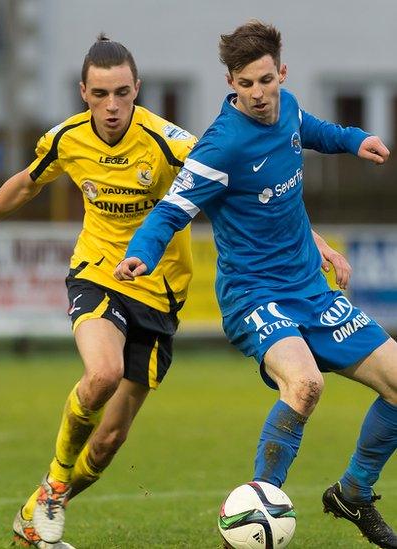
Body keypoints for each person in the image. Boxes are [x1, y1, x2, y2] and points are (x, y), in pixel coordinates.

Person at [0, 33, 350, 549]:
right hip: (99, 273)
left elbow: (245, 193)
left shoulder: (169, 142)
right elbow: (25, 182)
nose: (111, 106)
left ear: (138, 89)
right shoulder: (65, 139)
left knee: (110, 439)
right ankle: (54, 486)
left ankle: (37, 511)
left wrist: (317, 245)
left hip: (160, 296)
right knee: (103, 372)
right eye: (99, 95)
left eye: (122, 94)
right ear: (82, 92)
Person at [115, 20, 397, 549]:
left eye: (266, 80)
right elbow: (170, 211)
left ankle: (353, 493)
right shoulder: (220, 148)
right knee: (306, 384)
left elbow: (312, 131)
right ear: (231, 83)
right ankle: (252, 519)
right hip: (254, 296)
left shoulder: (286, 107)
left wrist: (357, 140)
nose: (259, 94)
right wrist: (140, 255)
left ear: (281, 73)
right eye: (245, 85)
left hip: (310, 290)